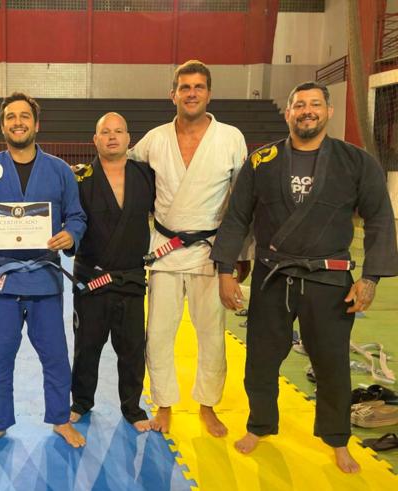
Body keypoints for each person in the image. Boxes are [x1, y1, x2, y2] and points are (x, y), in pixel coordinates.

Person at [211, 81, 398, 473]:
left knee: (332, 364)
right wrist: (226, 270)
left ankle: (337, 440)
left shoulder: (355, 161)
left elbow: (380, 218)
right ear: (288, 113)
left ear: (329, 111)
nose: (307, 111)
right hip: (272, 276)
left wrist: (370, 278)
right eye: (299, 105)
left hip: (329, 280)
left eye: (315, 104)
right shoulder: (263, 160)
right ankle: (260, 425)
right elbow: (237, 217)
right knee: (260, 359)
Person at [0, 92, 87, 451]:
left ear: (36, 124)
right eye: (11, 116)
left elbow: (76, 215)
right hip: (4, 278)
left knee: (55, 357)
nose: (18, 122)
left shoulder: (59, 170)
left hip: (45, 277)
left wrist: (71, 234)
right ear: (3, 126)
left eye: (24, 116)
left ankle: (61, 419)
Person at [128, 60, 251, 437]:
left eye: (198, 87)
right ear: (173, 95)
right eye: (185, 87)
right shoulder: (155, 139)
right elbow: (123, 170)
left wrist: (240, 255)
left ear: (209, 93)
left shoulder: (230, 138)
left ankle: (207, 406)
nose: (192, 93)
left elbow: (243, 202)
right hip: (165, 248)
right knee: (158, 334)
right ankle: (164, 404)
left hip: (212, 251)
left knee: (212, 334)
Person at [69, 112, 154, 432]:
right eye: (105, 132)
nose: (113, 136)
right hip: (91, 278)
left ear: (129, 139)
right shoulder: (80, 178)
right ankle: (81, 402)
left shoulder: (146, 175)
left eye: (119, 131)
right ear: (95, 140)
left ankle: (132, 406)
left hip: (131, 277)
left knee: (132, 348)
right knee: (87, 346)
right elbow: (67, 220)